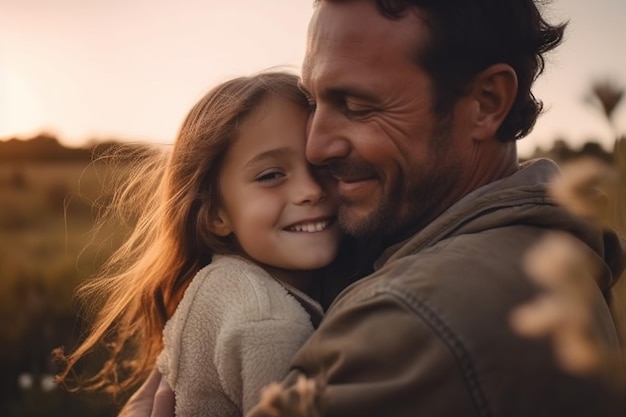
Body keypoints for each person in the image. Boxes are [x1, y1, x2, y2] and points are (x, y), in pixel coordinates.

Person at [125, 0, 626, 416]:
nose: (316, 147)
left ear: (486, 102)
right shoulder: (539, 243)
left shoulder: (414, 324)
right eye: (315, 101)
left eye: (358, 106)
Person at [55, 71, 356, 416]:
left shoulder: (223, 284)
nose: (311, 190)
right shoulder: (267, 324)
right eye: (271, 175)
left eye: (323, 166)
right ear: (215, 213)